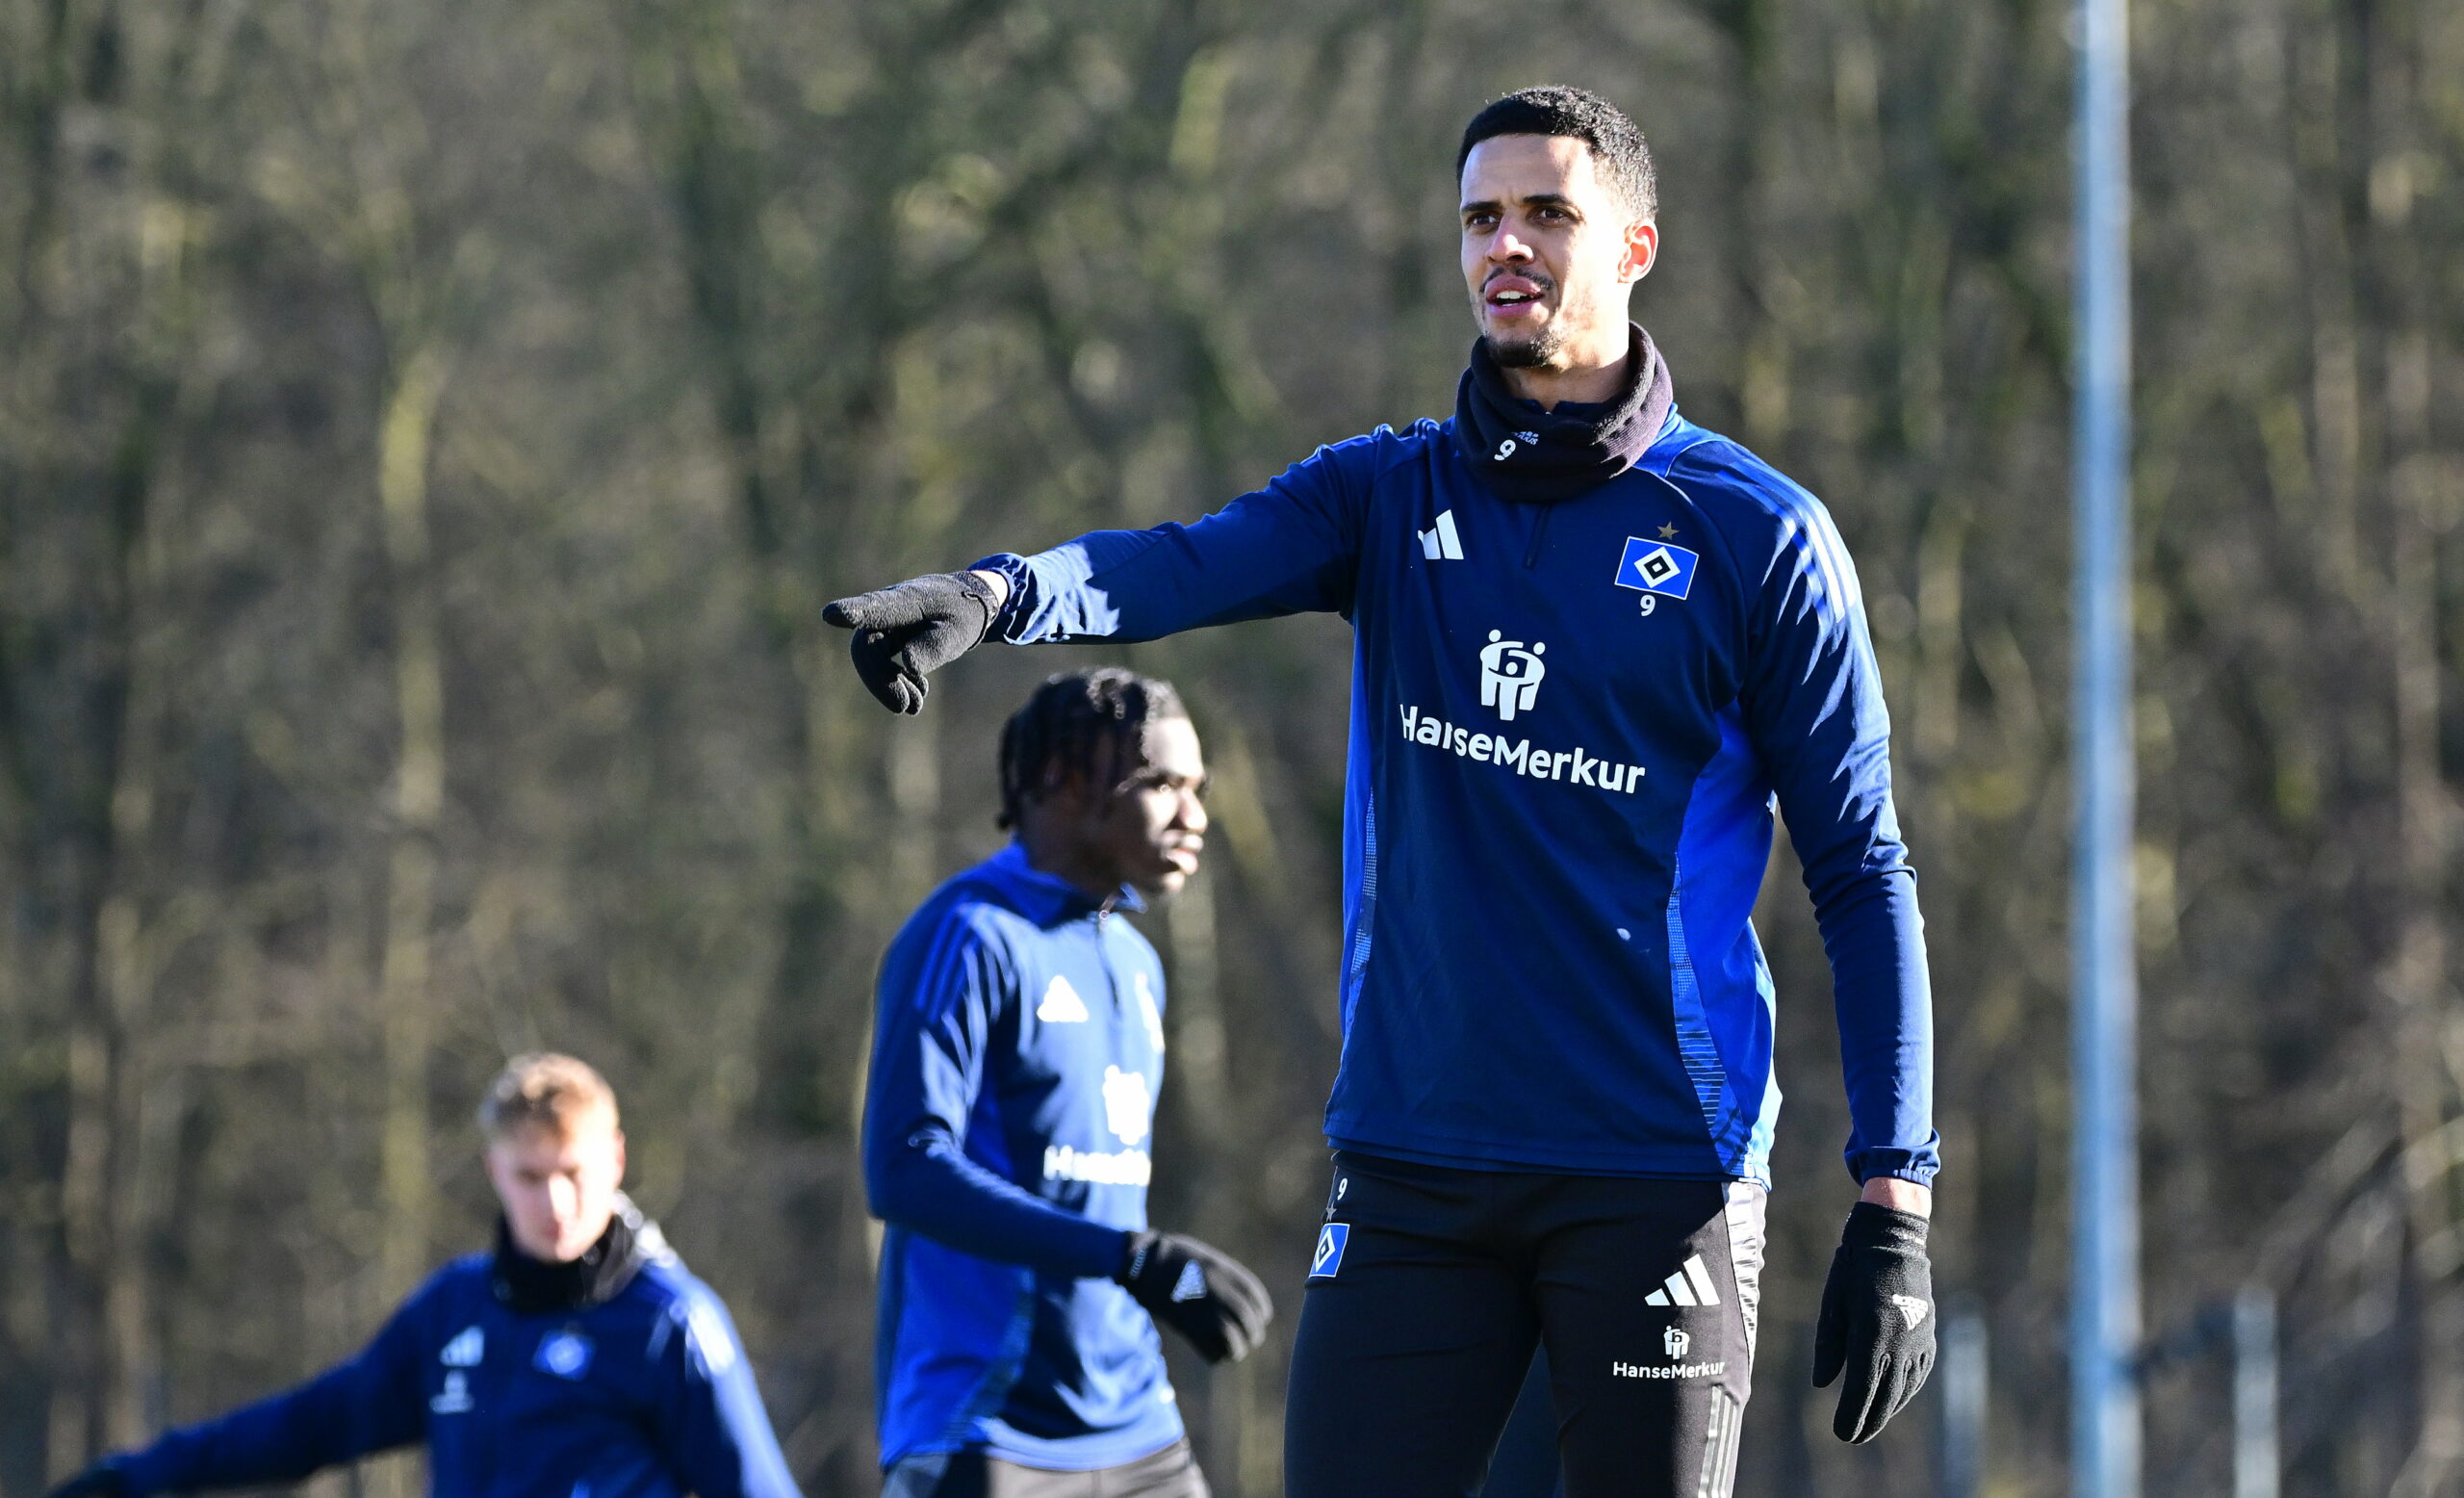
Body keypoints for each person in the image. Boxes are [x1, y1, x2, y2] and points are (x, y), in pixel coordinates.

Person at [825, 85, 1937, 1498]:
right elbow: (1176, 562)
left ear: (1637, 246)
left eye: (1548, 212)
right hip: (1416, 1165)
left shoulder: (1754, 535)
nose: (1506, 247)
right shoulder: (1390, 497)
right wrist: (993, 595)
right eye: (1482, 217)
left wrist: (1894, 1195)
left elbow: (1861, 869)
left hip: (1656, 1179)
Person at [863, 669, 1270, 1498]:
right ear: (1066, 780)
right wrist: (1129, 1259)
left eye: (1200, 789)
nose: (1195, 816)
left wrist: (1139, 1266)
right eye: (1162, 784)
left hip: (1137, 1427)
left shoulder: (1138, 963)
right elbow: (904, 1169)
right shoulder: (969, 936)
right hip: (986, 1427)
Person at [45, 1054, 801, 1498]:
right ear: (494, 1172)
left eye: (574, 1171)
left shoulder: (670, 1323)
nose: (557, 1201)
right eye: (530, 1176)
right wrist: (137, 1477)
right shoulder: (455, 1312)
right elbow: (310, 1425)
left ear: (616, 1161)